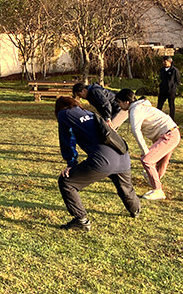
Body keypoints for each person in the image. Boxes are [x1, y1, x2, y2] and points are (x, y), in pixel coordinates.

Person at [55, 96, 139, 231]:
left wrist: (71, 163)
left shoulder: (64, 114)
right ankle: (135, 210)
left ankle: (81, 220)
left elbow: (67, 140)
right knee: (126, 188)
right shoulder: (90, 113)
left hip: (103, 160)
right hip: (123, 156)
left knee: (67, 182)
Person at [115, 89, 180, 201]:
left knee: (147, 159)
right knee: (161, 162)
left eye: (119, 102)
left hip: (169, 135)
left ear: (126, 102)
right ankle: (155, 182)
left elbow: (135, 129)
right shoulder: (140, 106)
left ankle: (158, 190)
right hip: (173, 132)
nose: (119, 105)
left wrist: (144, 149)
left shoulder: (136, 109)